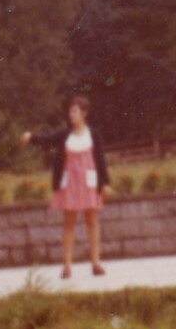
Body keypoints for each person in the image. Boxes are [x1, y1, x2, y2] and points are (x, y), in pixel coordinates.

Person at [21, 97, 111, 278]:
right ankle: (67, 266)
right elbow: (47, 140)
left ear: (84, 113)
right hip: (70, 183)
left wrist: (106, 183)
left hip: (89, 183)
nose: (71, 115)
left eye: (75, 111)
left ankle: (96, 263)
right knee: (69, 224)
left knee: (92, 222)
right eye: (70, 111)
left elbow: (101, 160)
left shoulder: (94, 135)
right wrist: (31, 138)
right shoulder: (64, 135)